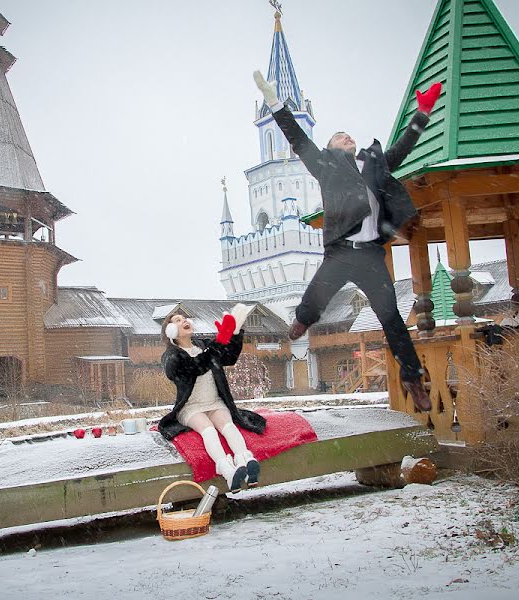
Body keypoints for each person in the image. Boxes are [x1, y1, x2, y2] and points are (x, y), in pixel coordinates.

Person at [253, 70, 442, 412]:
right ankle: (303, 320)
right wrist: (275, 104)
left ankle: (413, 378)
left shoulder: (373, 164)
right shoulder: (325, 164)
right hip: (341, 250)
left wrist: (422, 114)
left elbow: (403, 147)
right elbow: (297, 137)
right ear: (329, 147)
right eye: (339, 136)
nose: (346, 136)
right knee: (317, 293)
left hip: (370, 256)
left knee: (392, 318)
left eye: (348, 134)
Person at [158, 304, 265, 492]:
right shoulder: (170, 356)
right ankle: (226, 470)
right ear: (171, 331)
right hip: (191, 407)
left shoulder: (203, 345)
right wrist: (218, 342)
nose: (184, 321)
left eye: (184, 318)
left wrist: (235, 332)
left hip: (215, 402)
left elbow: (229, 357)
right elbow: (196, 367)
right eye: (177, 320)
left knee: (229, 426)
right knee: (208, 430)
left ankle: (246, 462)